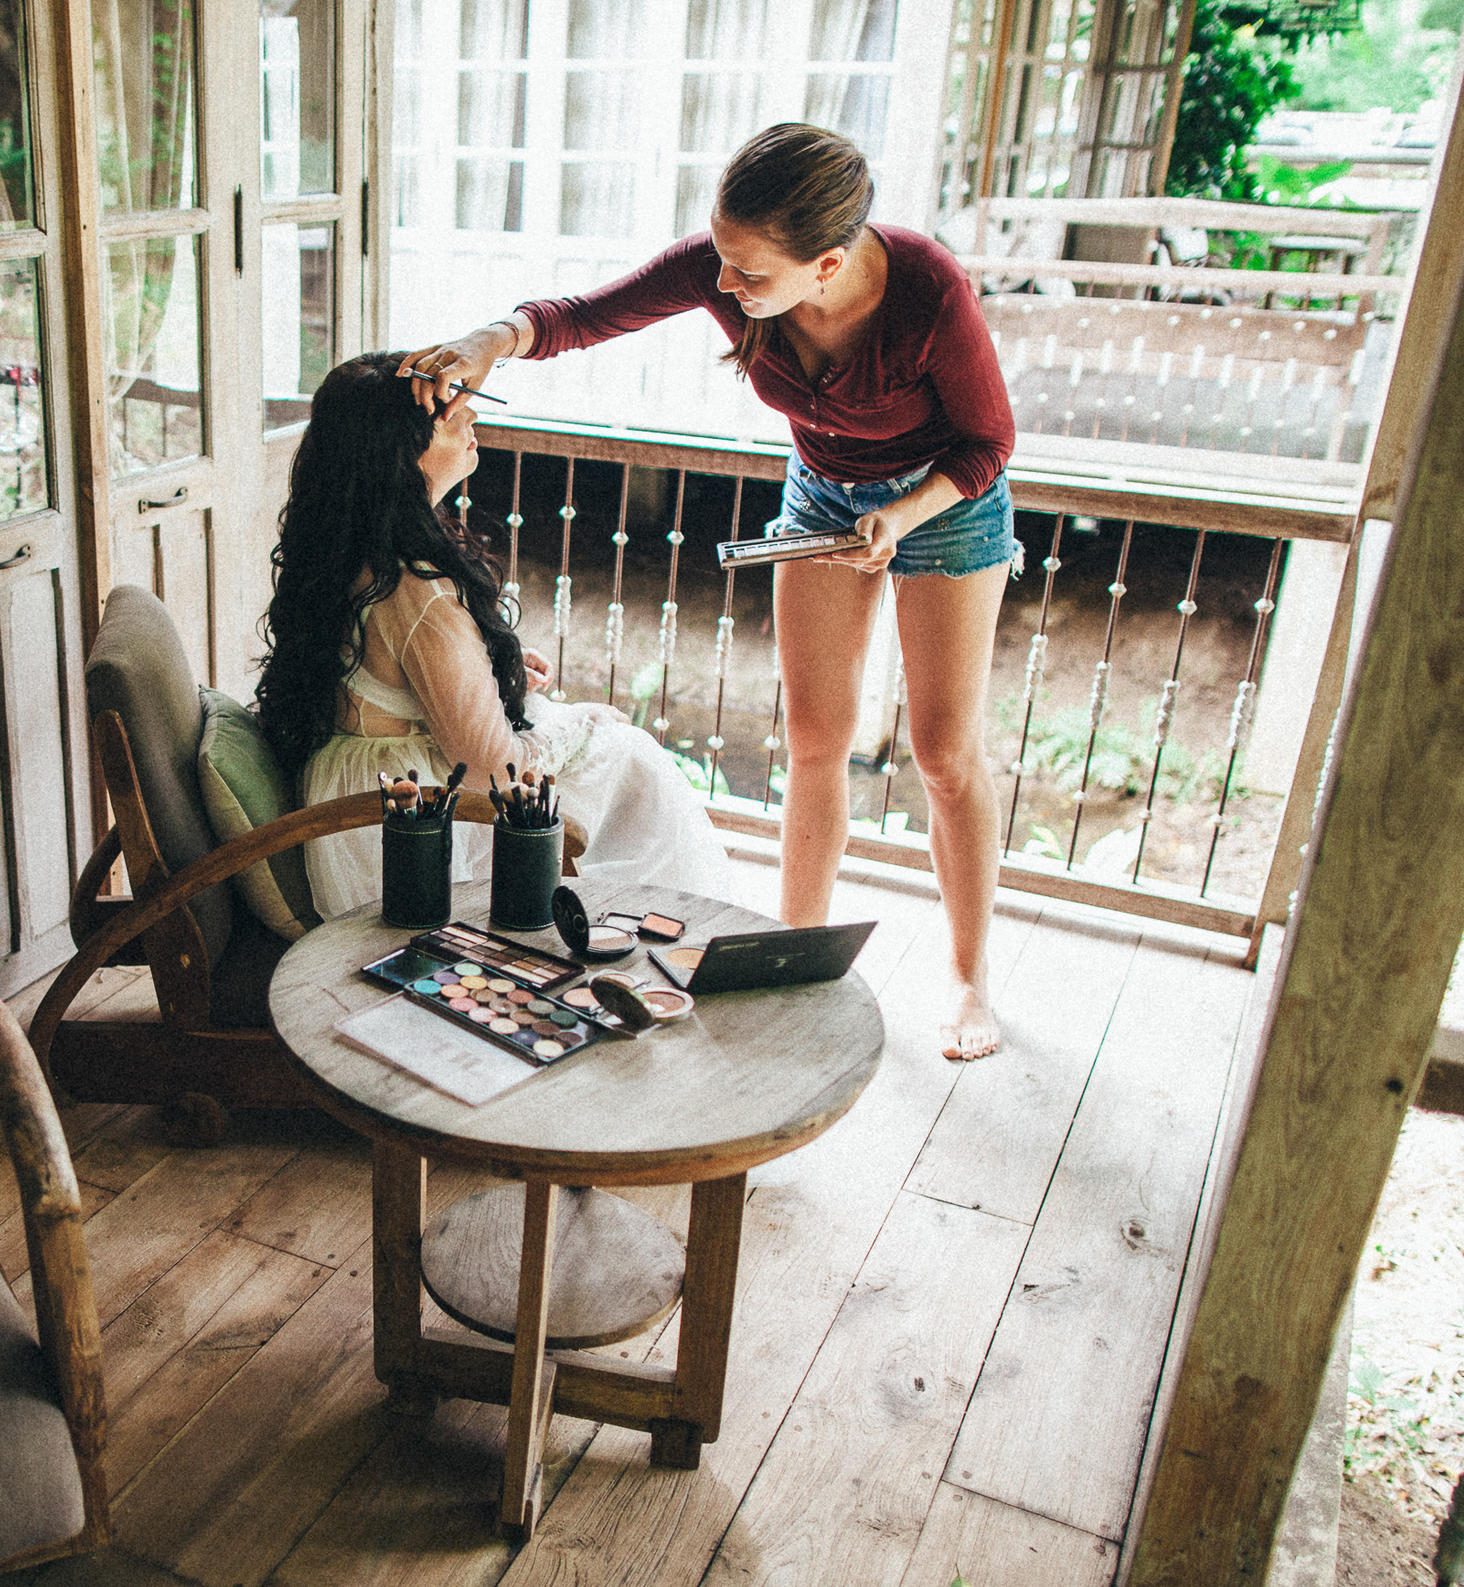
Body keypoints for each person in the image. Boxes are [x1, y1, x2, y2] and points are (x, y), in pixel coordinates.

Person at [398, 123, 1019, 1060]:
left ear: (829, 264)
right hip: (822, 493)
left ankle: (970, 981)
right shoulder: (732, 265)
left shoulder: (926, 290)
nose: (726, 289)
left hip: (948, 501)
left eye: (751, 275)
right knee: (814, 740)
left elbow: (988, 443)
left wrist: (904, 515)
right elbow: (583, 316)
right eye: (722, 262)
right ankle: (792, 953)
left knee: (941, 753)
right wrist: (492, 339)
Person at [255, 352, 729, 921]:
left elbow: (385, 675)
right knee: (629, 756)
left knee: (611, 754)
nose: (472, 416)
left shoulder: (351, 544)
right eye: (451, 415)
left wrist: (480, 667)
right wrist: (589, 718)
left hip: (369, 791)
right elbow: (494, 771)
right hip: (408, 829)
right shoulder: (418, 589)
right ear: (401, 452)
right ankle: (654, 936)